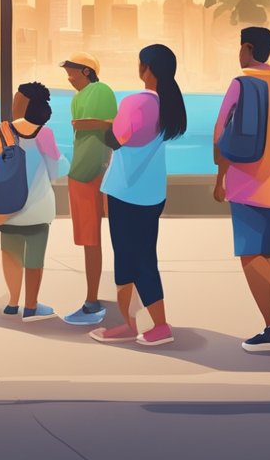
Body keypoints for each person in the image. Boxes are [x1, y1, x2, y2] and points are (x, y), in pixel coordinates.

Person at [90, 44, 186, 347]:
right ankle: (148, 323)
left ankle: (141, 326)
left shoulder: (135, 102)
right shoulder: (169, 104)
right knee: (145, 255)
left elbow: (116, 139)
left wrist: (101, 126)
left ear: (147, 69)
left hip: (125, 192)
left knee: (128, 259)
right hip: (153, 192)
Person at [214, 27, 270, 352]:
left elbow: (220, 133)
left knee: (250, 256)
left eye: (240, 47)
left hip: (246, 182)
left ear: (247, 48)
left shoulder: (240, 82)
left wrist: (219, 178)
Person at [0, 82, 61, 322]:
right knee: (35, 259)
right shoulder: (45, 134)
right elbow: (55, 172)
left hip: (7, 207)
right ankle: (31, 307)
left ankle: (12, 303)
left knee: (10, 254)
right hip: (39, 208)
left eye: (17, 99)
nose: (13, 103)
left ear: (23, 104)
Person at [60, 53, 118, 326]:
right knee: (90, 240)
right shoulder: (77, 98)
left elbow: (112, 129)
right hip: (82, 173)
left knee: (93, 240)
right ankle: (92, 298)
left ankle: (93, 302)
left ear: (86, 71)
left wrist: (89, 124)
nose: (69, 77)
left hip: (94, 174)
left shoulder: (101, 90)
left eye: (72, 71)